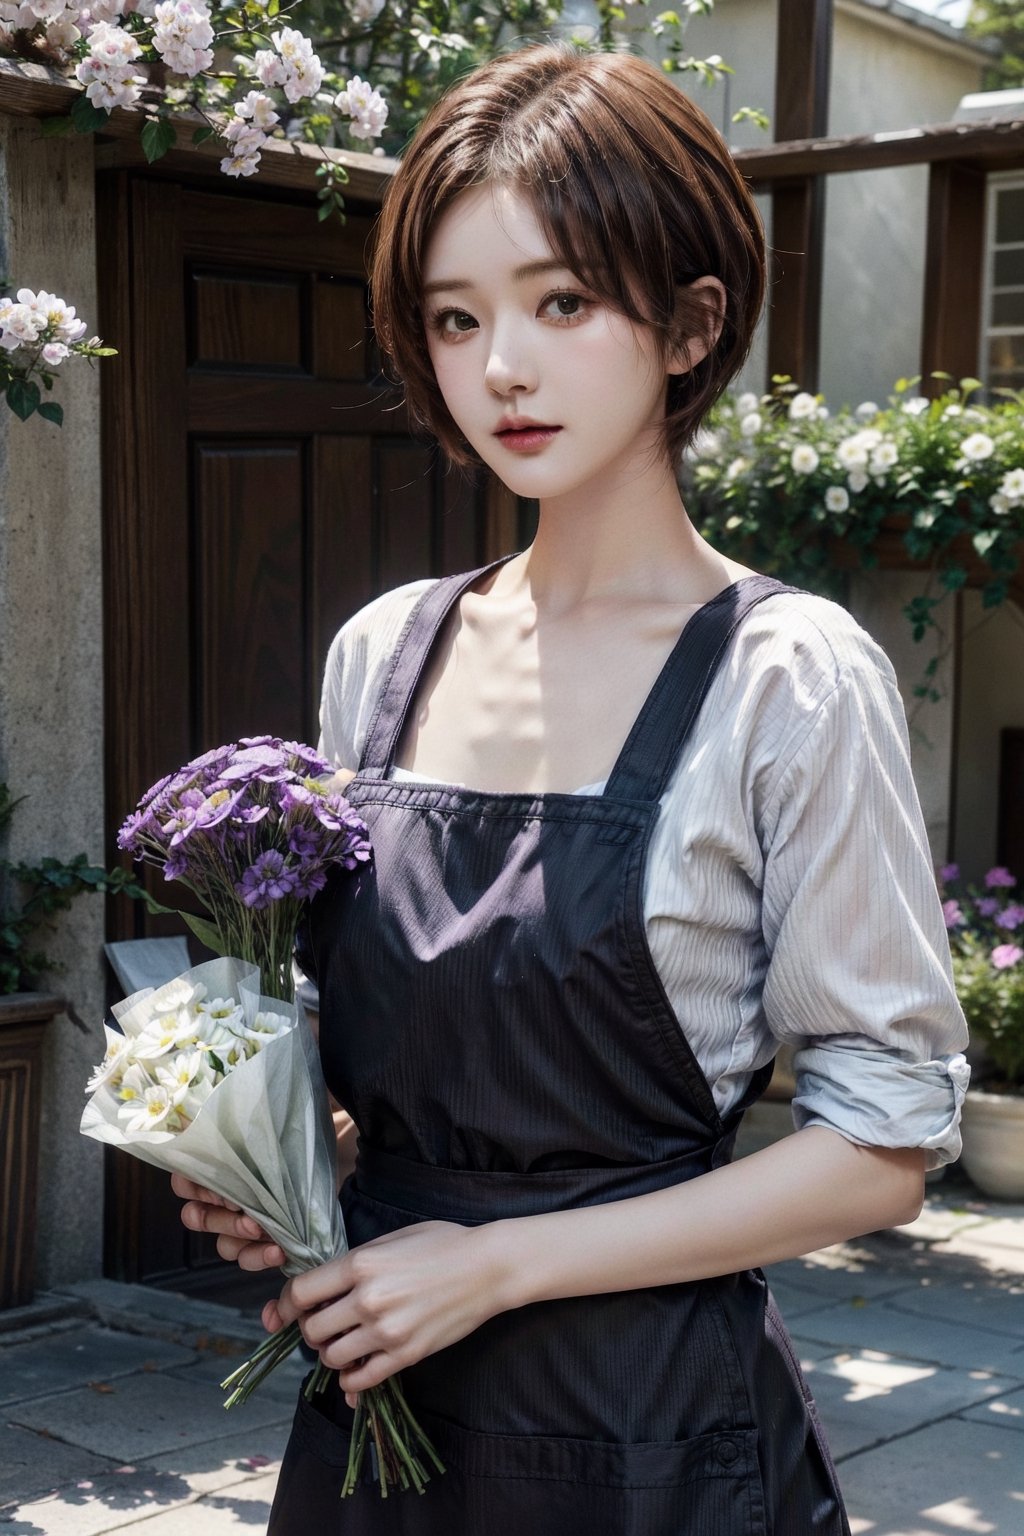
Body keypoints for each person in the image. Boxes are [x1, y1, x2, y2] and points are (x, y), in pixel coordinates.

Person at [172, 43, 969, 1534]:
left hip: (650, 1441)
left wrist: (498, 1260)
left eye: (561, 302)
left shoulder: (789, 678)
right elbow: (414, 1075)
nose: (502, 370)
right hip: (379, 1420)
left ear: (686, 323)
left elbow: (882, 1145)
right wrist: (288, 1159)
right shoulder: (385, 654)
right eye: (456, 319)